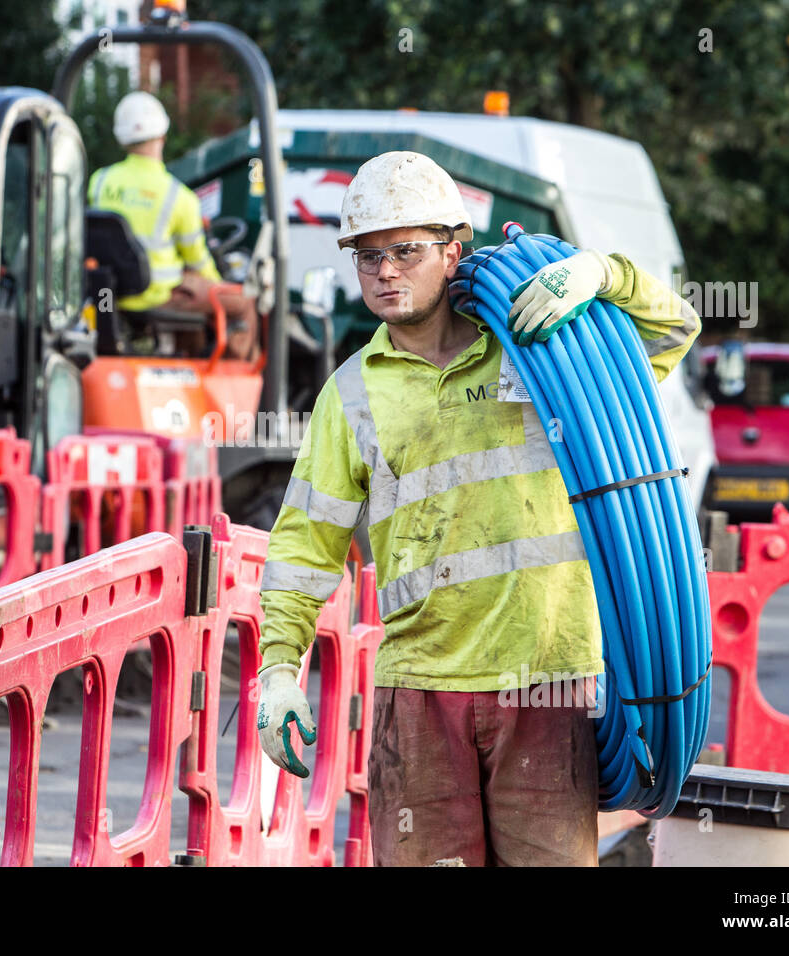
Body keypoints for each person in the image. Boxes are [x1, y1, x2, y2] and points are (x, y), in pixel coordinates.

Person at [254, 150, 702, 866]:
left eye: (405, 250)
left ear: (454, 250)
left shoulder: (544, 351)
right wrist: (278, 671)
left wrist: (600, 274)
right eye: (368, 257)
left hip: (547, 680)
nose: (386, 272)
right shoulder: (352, 394)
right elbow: (306, 545)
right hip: (420, 690)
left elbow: (674, 330)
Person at [88, 91, 258, 360]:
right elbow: (199, 262)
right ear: (162, 137)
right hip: (155, 295)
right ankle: (235, 380)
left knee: (194, 297)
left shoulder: (99, 181)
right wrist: (220, 285)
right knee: (244, 302)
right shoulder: (178, 196)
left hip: (109, 292)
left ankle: (188, 359)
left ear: (121, 137)